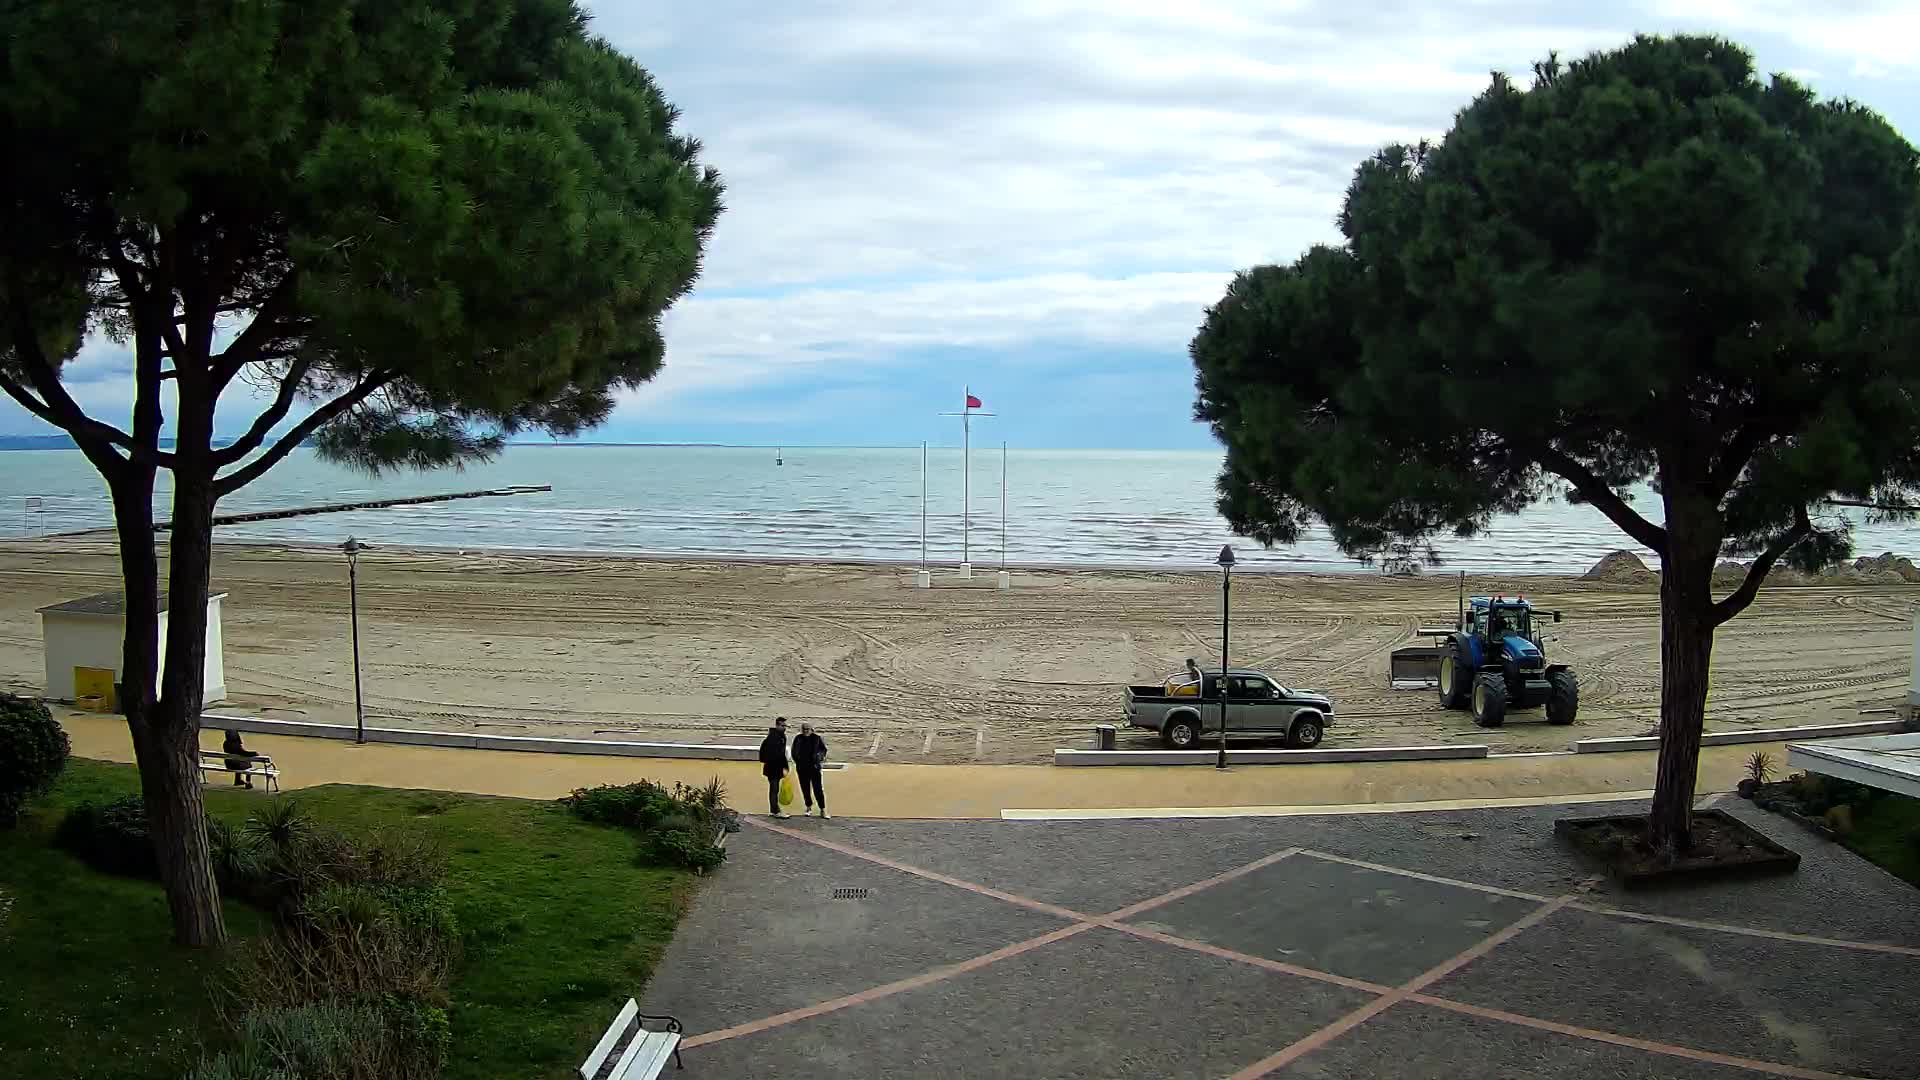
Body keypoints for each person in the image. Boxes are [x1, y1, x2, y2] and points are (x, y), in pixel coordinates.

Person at [792, 722, 829, 819]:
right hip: (802, 768)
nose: (805, 731)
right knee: (805, 789)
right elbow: (794, 752)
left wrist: (819, 757)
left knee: (818, 789)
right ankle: (808, 807)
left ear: (811, 729)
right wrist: (799, 761)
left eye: (807, 729)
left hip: (814, 767)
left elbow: (823, 750)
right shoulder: (798, 738)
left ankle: (823, 809)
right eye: (804, 729)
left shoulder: (816, 738)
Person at [759, 717, 791, 819]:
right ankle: (775, 811)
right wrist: (783, 766)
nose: (784, 727)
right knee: (774, 790)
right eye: (782, 726)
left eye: (785, 726)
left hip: (774, 767)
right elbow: (777, 755)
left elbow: (780, 754)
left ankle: (773, 810)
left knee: (774, 790)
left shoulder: (780, 736)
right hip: (773, 768)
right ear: (777, 725)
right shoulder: (773, 738)